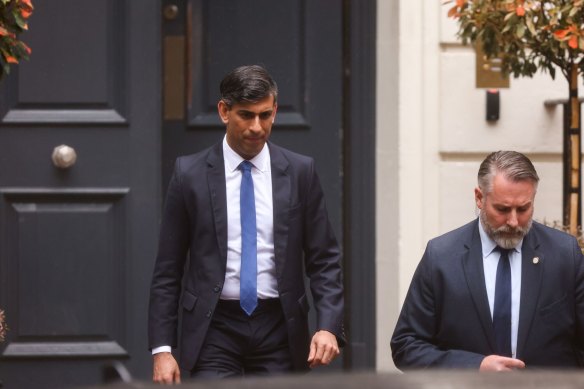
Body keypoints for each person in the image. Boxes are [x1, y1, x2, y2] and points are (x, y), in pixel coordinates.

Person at [148, 65, 345, 383]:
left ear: (275, 111)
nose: (257, 127)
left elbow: (325, 258)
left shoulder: (299, 172)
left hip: (279, 327)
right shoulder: (190, 174)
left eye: (265, 115)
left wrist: (327, 326)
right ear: (224, 111)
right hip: (214, 327)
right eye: (246, 115)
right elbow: (167, 270)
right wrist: (162, 349)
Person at [391, 150, 584, 371]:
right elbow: (406, 346)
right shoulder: (441, 257)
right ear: (479, 198)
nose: (513, 221)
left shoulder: (564, 253)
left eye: (523, 209)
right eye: (502, 209)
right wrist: (475, 367)